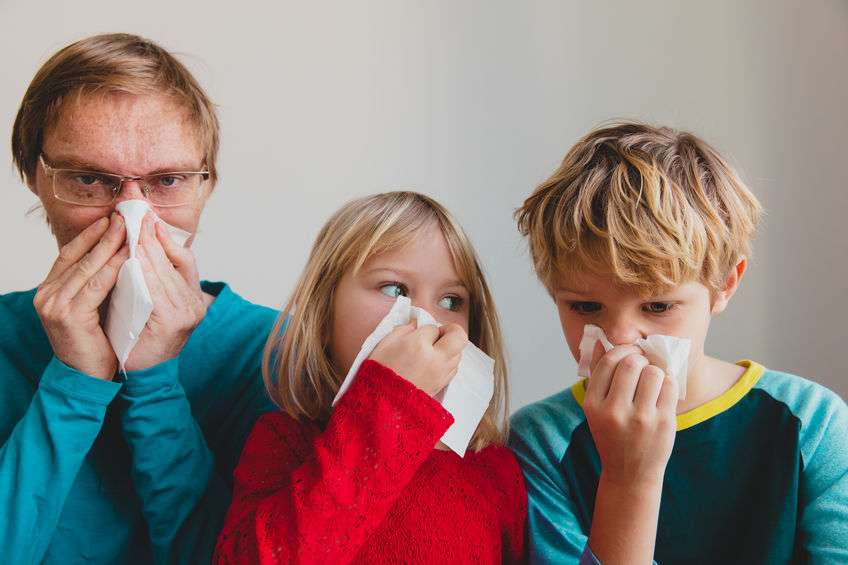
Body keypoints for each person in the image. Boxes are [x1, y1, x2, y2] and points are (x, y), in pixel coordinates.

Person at [509, 122, 848, 564]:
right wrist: (630, 480)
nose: (621, 338)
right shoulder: (543, 441)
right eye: (586, 308)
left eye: (657, 307)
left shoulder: (811, 423)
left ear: (725, 284)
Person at [1, 33, 277, 564]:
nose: (131, 219)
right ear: (34, 177)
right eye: (89, 179)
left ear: (206, 186)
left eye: (167, 181)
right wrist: (72, 386)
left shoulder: (274, 354)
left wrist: (154, 384)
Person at [214, 191, 526, 564]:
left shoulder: (493, 468)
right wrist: (390, 401)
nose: (424, 320)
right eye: (395, 290)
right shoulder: (284, 442)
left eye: (451, 301)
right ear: (324, 312)